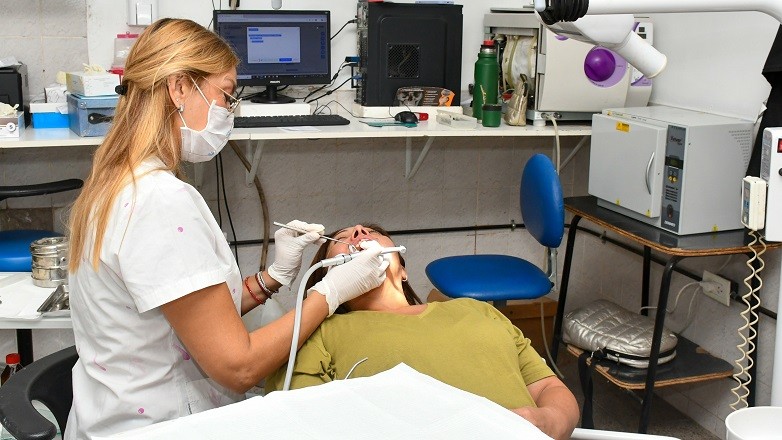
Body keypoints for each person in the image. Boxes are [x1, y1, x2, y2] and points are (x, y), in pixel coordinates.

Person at [64, 19, 387, 439]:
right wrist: (330, 293)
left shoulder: (115, 181)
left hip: (112, 415)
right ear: (180, 87)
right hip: (157, 427)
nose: (229, 111)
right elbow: (239, 367)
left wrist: (274, 277)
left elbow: (190, 312)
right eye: (226, 95)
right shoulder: (159, 202)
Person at [266, 224, 580, 440]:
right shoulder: (316, 334)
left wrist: (549, 421)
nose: (360, 232)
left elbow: (547, 387)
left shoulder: (476, 309)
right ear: (328, 278)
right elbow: (303, 424)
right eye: (342, 239)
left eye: (373, 232)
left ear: (403, 270)